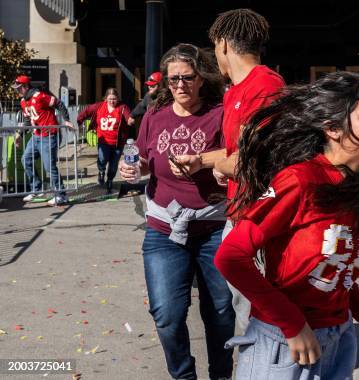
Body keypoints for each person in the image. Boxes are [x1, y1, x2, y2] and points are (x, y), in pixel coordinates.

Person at [214, 72, 359, 379]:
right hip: (283, 343)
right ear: (332, 128)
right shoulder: (299, 180)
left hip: (339, 338)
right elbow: (230, 257)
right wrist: (291, 322)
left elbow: (337, 270)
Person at [119, 43, 234, 380]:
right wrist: (134, 169)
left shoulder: (220, 113)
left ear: (201, 78)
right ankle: (184, 376)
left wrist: (209, 164)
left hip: (213, 228)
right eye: (173, 80)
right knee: (167, 315)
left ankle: (221, 375)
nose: (180, 85)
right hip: (163, 230)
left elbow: (238, 155)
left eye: (188, 77)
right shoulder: (155, 116)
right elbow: (142, 159)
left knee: (221, 313)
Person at [208, 8, 286, 332]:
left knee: (261, 318)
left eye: (214, 47)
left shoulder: (265, 84)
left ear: (223, 44)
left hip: (260, 216)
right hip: (239, 210)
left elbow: (249, 160)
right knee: (247, 312)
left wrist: (220, 164)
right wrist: (208, 160)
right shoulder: (233, 92)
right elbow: (233, 155)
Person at [12, 75, 75, 206]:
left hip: (49, 135)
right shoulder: (24, 101)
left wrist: (67, 120)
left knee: (49, 167)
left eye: (19, 88)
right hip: (36, 136)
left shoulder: (39, 96)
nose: (17, 91)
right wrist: (20, 135)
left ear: (25, 87)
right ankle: (37, 188)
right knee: (26, 159)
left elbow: (58, 103)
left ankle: (61, 195)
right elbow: (28, 120)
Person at [77, 88, 132, 193]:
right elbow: (87, 111)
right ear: (106, 98)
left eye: (114, 99)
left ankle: (110, 180)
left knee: (113, 164)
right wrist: (79, 120)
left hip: (117, 142)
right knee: (102, 159)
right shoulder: (99, 106)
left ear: (118, 99)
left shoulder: (122, 107)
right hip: (103, 141)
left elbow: (128, 116)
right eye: (110, 99)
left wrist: (130, 120)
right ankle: (101, 171)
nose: (112, 101)